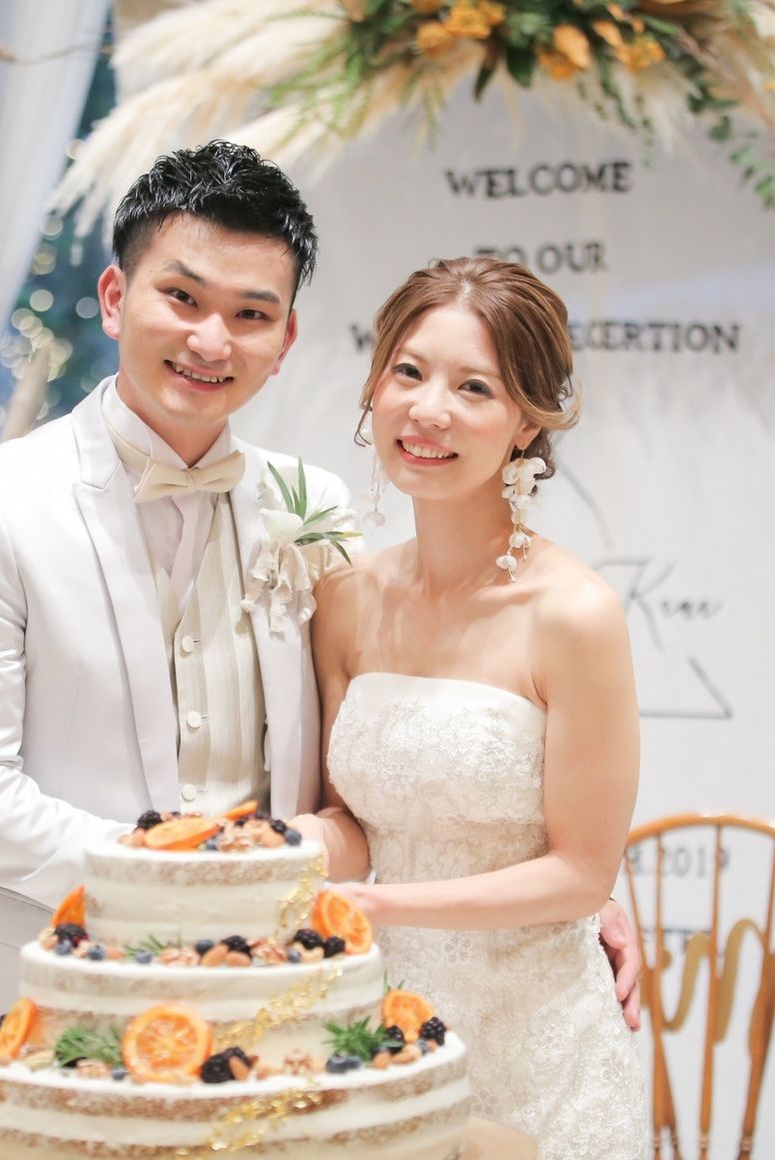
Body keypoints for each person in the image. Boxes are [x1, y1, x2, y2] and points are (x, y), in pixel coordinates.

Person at [0, 147, 641, 1128]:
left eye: (248, 313)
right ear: (114, 297)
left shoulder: (308, 509)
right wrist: (191, 877)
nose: (209, 338)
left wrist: (582, 889)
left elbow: (391, 765)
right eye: (181, 297)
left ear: (284, 339)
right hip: (30, 1014)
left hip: (264, 1041)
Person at [294, 256, 648, 1157]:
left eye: (474, 387)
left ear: (526, 421)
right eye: (408, 372)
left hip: (537, 1048)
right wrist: (268, 852)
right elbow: (347, 820)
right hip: (377, 1036)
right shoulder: (345, 598)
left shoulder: (574, 615)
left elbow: (581, 874)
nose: (429, 409)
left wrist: (383, 906)